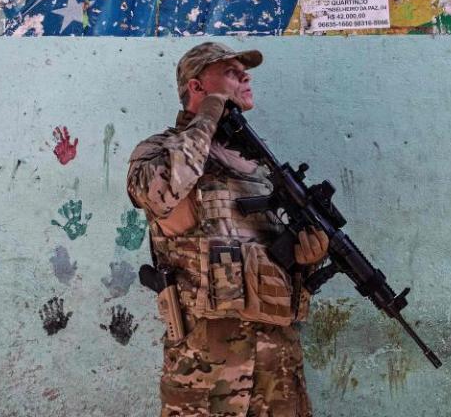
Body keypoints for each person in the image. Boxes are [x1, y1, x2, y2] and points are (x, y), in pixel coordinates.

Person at [127, 42, 329, 416]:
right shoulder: (157, 150)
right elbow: (165, 191)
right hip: (206, 364)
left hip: (276, 360)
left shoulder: (260, 165)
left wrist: (305, 260)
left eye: (244, 71)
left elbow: (271, 260)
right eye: (232, 72)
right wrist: (210, 112)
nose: (245, 77)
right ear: (197, 86)